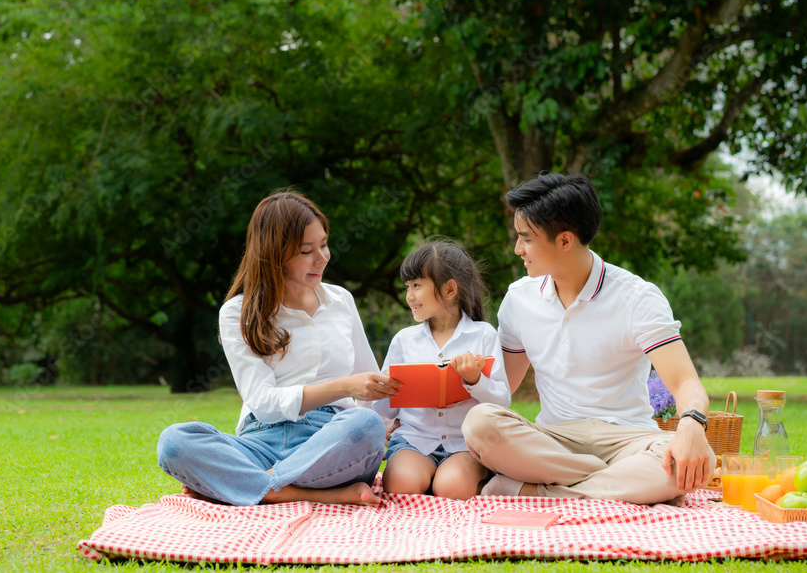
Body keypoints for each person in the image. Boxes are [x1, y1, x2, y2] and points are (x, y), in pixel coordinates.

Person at [462, 172, 715, 505]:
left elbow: (685, 382)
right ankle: (612, 484)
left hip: (628, 439)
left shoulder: (637, 297)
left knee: (699, 462)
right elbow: (501, 390)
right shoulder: (519, 299)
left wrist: (693, 427)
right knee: (479, 424)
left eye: (526, 238)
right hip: (553, 440)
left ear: (565, 240)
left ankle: (535, 491)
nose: (516, 249)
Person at [156, 191, 401, 506]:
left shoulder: (341, 301)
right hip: (260, 442)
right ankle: (297, 492)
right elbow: (263, 402)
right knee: (174, 442)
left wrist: (381, 427)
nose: (322, 257)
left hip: (331, 442)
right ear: (274, 254)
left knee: (364, 424)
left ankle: (251, 487)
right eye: (306, 250)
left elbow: (370, 385)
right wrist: (346, 386)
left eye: (324, 244)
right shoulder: (237, 312)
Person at [372, 239, 511, 500]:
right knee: (401, 485)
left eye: (416, 285)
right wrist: (387, 388)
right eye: (407, 287)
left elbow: (502, 402)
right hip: (414, 440)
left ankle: (468, 480)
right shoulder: (404, 340)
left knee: (452, 488)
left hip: (464, 445)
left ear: (449, 290)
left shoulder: (483, 335)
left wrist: (474, 379)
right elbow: (383, 410)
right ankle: (431, 480)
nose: (409, 296)